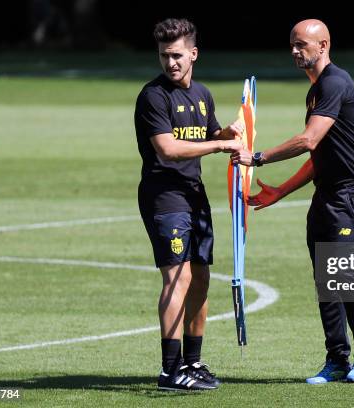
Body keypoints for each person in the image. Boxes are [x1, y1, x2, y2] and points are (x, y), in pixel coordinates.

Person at [231, 19, 354, 384]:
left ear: (324, 45)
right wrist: (281, 190)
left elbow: (310, 139)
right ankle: (336, 360)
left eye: (303, 45)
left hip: (352, 194)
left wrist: (259, 157)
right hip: (327, 194)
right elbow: (321, 157)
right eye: (293, 45)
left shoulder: (334, 83)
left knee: (341, 271)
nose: (296, 51)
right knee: (325, 278)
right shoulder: (316, 90)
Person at [134, 18, 243, 391]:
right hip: (164, 198)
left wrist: (229, 133)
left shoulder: (201, 94)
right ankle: (170, 370)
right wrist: (219, 145)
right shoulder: (153, 96)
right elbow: (168, 148)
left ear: (193, 54)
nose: (170, 62)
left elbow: (209, 132)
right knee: (176, 277)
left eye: (177, 55)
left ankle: (193, 363)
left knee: (200, 279)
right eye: (164, 55)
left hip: (195, 196)